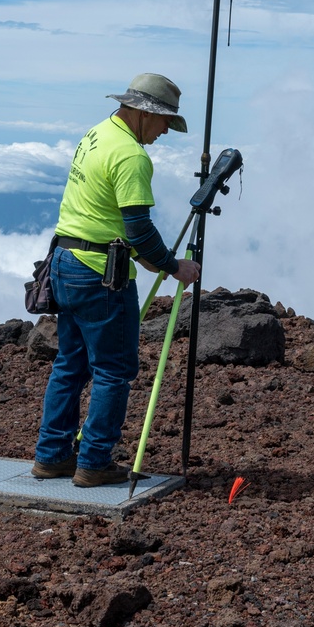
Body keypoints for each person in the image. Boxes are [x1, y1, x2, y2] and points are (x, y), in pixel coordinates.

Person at [32, 73, 201, 488]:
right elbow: (139, 227)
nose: (164, 132)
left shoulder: (97, 133)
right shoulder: (131, 156)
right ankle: (94, 462)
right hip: (101, 277)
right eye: (164, 122)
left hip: (66, 262)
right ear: (145, 113)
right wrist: (171, 265)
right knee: (113, 369)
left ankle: (52, 456)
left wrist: (146, 258)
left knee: (70, 364)